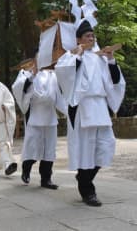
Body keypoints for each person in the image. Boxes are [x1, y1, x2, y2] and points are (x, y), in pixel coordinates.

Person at [55, 19, 126, 206]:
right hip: (84, 106)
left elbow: (115, 81)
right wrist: (77, 55)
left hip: (100, 106)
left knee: (106, 145)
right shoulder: (71, 56)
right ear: (79, 39)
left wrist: (111, 59)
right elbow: (64, 74)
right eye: (87, 36)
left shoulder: (100, 57)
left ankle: (84, 177)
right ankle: (88, 191)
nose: (91, 38)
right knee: (86, 149)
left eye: (93, 36)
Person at [12, 60, 67, 189]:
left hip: (50, 115)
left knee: (49, 149)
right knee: (32, 145)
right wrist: (32, 75)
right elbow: (18, 88)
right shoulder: (26, 72)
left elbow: (59, 95)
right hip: (35, 115)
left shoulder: (52, 74)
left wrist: (69, 111)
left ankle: (46, 178)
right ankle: (26, 169)